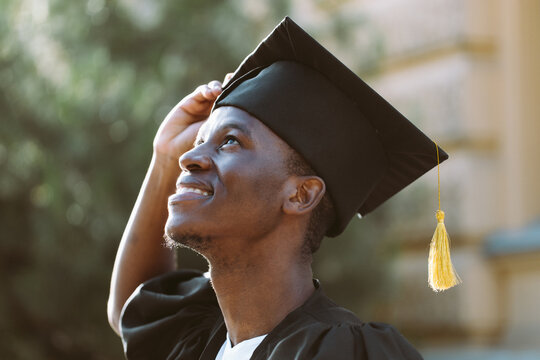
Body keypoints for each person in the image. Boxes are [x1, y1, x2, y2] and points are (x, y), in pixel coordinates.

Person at [107, 17, 447, 359]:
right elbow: (135, 309)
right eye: (197, 142)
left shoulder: (347, 352)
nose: (190, 157)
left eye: (229, 141)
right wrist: (164, 159)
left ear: (301, 195)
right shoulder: (201, 342)